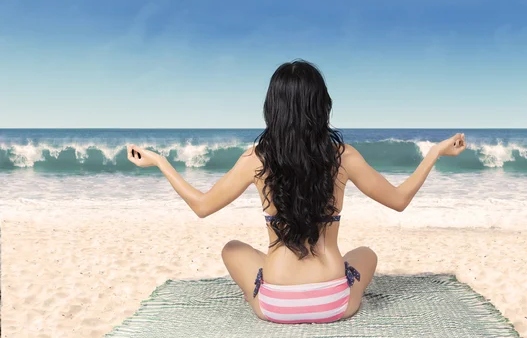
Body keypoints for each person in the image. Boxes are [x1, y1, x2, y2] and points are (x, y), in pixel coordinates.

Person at [127, 60, 467, 324]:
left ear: (272, 108)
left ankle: (269, 285)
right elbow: (399, 200)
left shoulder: (256, 158)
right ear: (322, 105)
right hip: (334, 301)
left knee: (232, 249)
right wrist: (435, 152)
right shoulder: (343, 156)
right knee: (366, 253)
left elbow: (202, 206)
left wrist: (160, 163)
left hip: (276, 305)